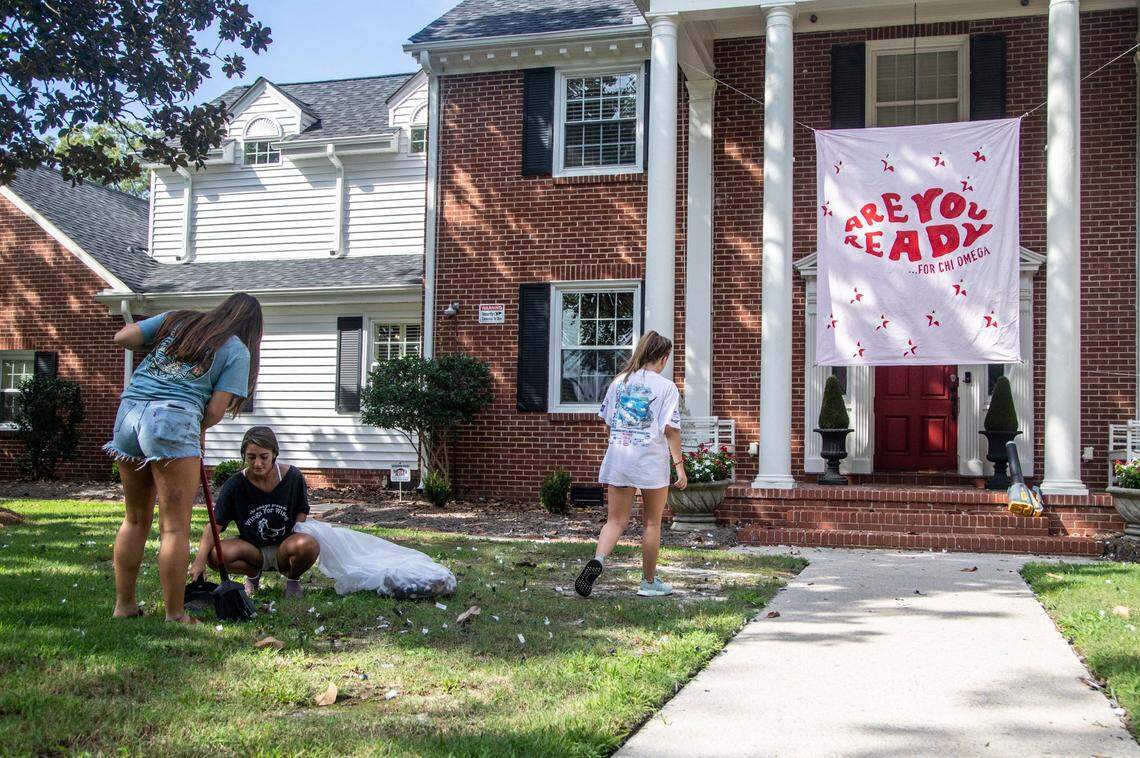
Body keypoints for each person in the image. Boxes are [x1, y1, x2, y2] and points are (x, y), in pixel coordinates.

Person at [106, 293, 262, 623]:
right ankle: (175, 615)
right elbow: (216, 410)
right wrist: (192, 431)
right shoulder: (236, 349)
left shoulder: (178, 319)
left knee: (135, 519)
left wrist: (164, 334)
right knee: (174, 528)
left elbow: (124, 337)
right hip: (173, 418)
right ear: (252, 328)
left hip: (129, 413)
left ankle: (125, 606)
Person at [575, 330, 687, 599]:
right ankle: (649, 583)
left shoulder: (619, 382)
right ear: (662, 357)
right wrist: (680, 466)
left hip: (619, 459)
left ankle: (599, 560)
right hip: (650, 462)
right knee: (652, 523)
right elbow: (671, 430)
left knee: (615, 521)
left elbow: (608, 422)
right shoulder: (666, 387)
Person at [190, 426, 319, 599]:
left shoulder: (292, 477)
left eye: (264, 457)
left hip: (285, 546)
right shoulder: (234, 485)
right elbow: (215, 525)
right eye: (251, 457)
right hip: (252, 550)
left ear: (274, 453)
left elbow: (302, 510)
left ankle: (293, 580)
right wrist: (199, 561)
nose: (258, 463)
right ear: (244, 455)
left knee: (308, 544)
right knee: (214, 555)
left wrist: (295, 534)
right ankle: (252, 574)